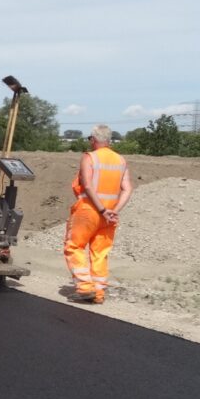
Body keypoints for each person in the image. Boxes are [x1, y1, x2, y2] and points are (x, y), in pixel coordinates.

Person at [64, 125, 133, 303]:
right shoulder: (121, 160)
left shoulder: (90, 157)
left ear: (93, 140)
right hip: (109, 216)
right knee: (100, 253)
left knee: (74, 247)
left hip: (88, 210)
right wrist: (114, 211)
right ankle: (99, 293)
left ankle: (85, 287)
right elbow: (127, 189)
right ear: (109, 140)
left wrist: (101, 209)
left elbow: (87, 185)